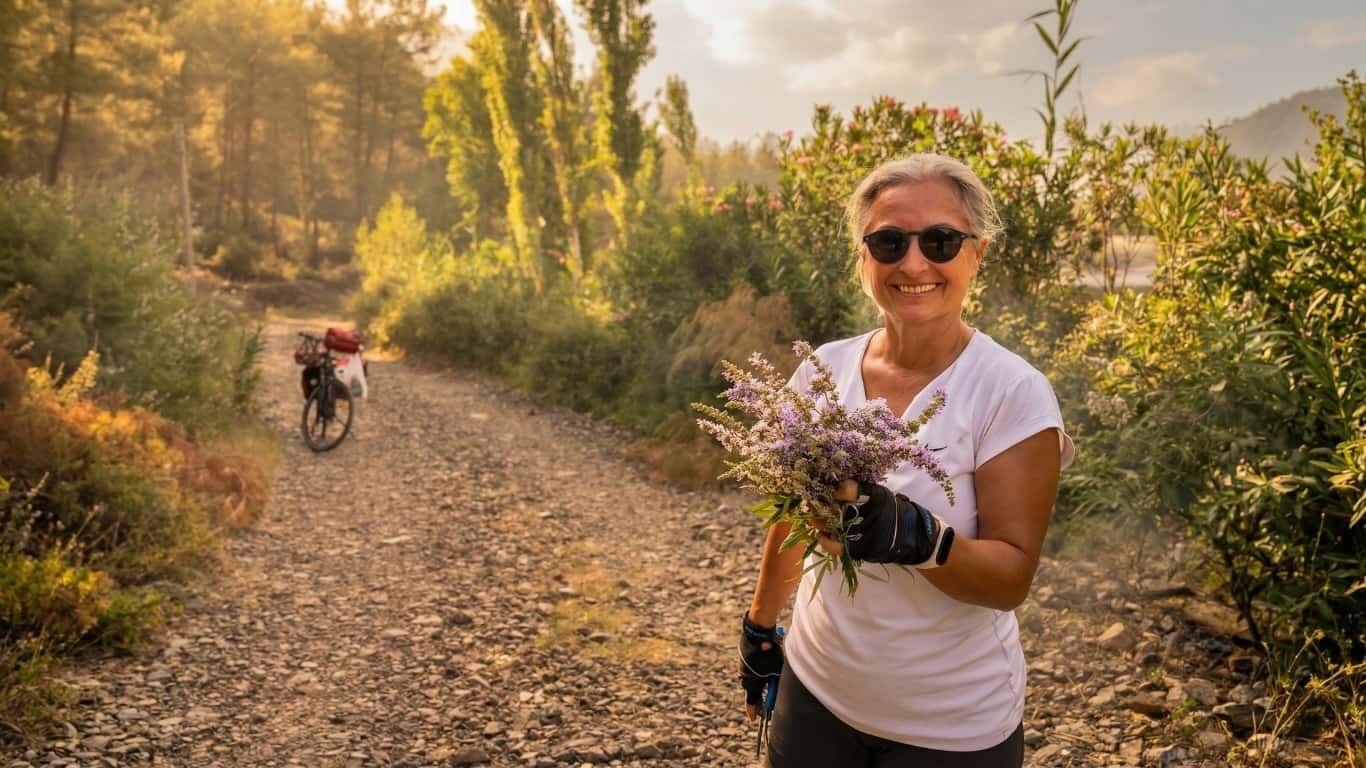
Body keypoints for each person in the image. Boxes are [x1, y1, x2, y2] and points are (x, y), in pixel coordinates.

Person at [739, 153, 1075, 768]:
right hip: (815, 693)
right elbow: (791, 517)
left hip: (949, 728)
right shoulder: (823, 371)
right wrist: (760, 627)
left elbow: (1010, 579)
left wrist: (918, 539)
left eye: (941, 241)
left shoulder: (1012, 392)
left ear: (977, 254)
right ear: (863, 257)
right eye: (889, 242)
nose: (914, 262)